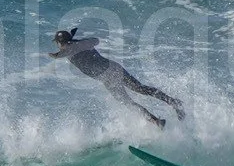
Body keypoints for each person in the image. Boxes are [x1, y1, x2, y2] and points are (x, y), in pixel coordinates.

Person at [50, 28, 187, 127]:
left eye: (57, 43)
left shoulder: (75, 46)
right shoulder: (71, 48)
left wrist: (70, 46)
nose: (58, 45)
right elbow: (65, 52)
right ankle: (158, 120)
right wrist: (71, 45)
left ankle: (170, 105)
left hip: (111, 71)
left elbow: (95, 41)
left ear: (60, 43)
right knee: (130, 98)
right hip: (107, 76)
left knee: (137, 91)